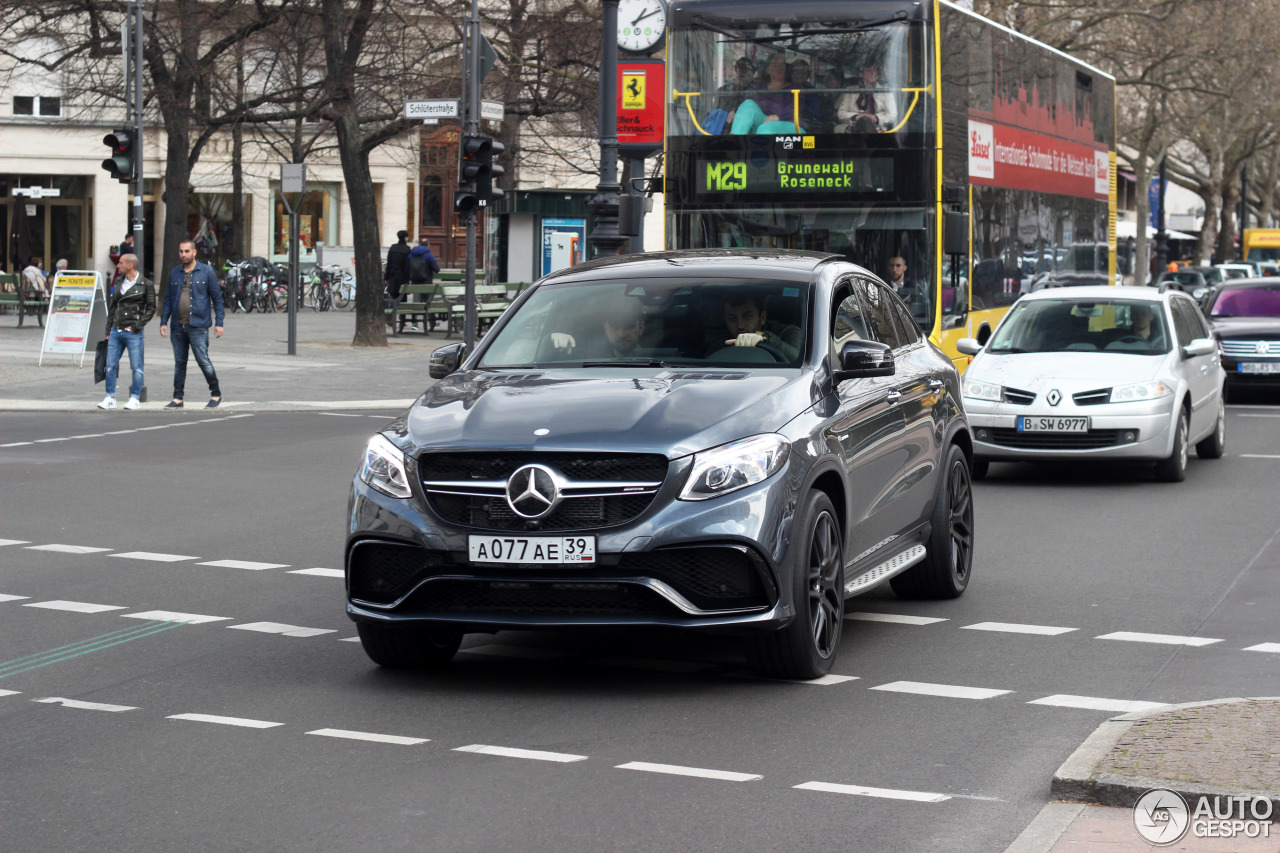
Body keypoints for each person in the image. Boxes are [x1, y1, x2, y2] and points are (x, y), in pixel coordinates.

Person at [159, 239, 224, 408]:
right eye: (181, 251)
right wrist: (163, 321)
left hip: (198, 325)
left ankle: (216, 394)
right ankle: (177, 397)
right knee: (180, 362)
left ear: (194, 252)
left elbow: (217, 299)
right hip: (178, 325)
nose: (183, 255)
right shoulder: (174, 273)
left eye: (187, 251)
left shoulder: (207, 272)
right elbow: (168, 299)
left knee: (203, 361)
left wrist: (219, 323)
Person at [97, 253, 155, 411]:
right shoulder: (118, 281)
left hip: (133, 331)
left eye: (121, 263)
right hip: (116, 329)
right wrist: (108, 329)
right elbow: (113, 306)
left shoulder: (145, 284)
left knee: (136, 366)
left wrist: (136, 326)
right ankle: (110, 397)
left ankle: (134, 398)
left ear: (130, 266)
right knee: (110, 365)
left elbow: (151, 308)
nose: (118, 265)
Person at [712, 290, 802, 360]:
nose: (740, 325)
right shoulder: (721, 342)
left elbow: (797, 359)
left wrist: (765, 338)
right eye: (732, 318)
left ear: (762, 317)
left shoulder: (787, 332)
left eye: (747, 317)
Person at [550, 298, 647, 359]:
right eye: (615, 327)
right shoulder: (581, 359)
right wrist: (552, 338)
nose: (622, 334)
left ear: (641, 328)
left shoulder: (657, 364)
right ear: (605, 328)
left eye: (629, 327)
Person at [729, 52, 797, 134]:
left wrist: (779, 116)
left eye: (782, 65)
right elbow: (746, 102)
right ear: (768, 70)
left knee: (765, 128)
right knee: (748, 104)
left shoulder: (795, 88)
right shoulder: (760, 87)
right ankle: (734, 142)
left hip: (789, 124)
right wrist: (734, 111)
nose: (779, 68)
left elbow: (797, 108)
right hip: (765, 121)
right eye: (775, 65)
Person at [837, 61, 898, 133]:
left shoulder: (885, 91)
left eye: (875, 71)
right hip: (853, 127)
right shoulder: (850, 90)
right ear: (861, 74)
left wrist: (876, 119)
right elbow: (840, 113)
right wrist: (856, 116)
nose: (873, 73)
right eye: (869, 71)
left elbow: (892, 115)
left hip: (876, 128)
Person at [383, 229, 412, 326]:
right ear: (405, 238)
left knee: (393, 297)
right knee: (403, 298)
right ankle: (402, 320)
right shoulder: (407, 250)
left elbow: (389, 264)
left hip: (393, 275)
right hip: (403, 277)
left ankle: (390, 316)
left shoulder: (392, 248)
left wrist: (386, 277)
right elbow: (408, 266)